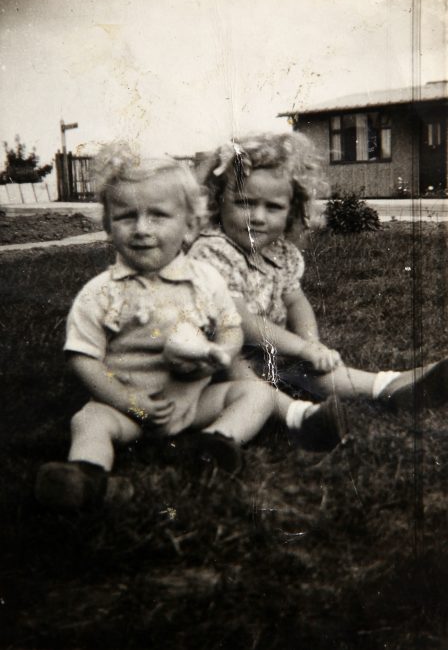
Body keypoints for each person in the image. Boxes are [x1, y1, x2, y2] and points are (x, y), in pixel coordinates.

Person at [35, 146, 345, 512]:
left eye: (158, 216)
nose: (141, 229)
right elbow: (83, 358)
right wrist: (127, 403)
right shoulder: (101, 292)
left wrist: (222, 353)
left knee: (255, 394)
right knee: (88, 419)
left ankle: (213, 443)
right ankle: (87, 476)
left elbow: (231, 328)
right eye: (125, 217)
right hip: (127, 406)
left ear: (190, 225)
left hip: (194, 401)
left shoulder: (205, 280)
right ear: (106, 224)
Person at [188, 132, 448, 413]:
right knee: (241, 370)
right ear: (218, 201)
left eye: (273, 207)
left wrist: (311, 345)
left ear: (292, 212)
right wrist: (300, 347)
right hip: (222, 352)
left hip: (271, 348)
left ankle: (388, 385)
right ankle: (291, 414)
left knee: (316, 368)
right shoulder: (212, 252)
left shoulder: (281, 253)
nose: (258, 217)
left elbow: (296, 302)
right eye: (244, 203)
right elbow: (240, 320)